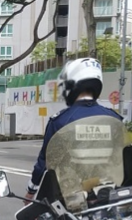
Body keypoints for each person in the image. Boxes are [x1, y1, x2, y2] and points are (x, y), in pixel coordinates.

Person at [26, 57, 122, 203]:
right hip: (110, 195)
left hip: (72, 199)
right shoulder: (115, 119)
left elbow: (45, 162)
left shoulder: (60, 121)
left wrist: (31, 191)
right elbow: (125, 157)